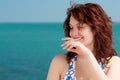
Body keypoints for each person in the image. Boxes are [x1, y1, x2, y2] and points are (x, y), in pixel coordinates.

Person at [47, 3, 120, 80]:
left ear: (96, 29)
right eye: (71, 27)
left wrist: (87, 54)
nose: (73, 33)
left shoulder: (114, 63)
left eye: (80, 27)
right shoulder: (59, 61)